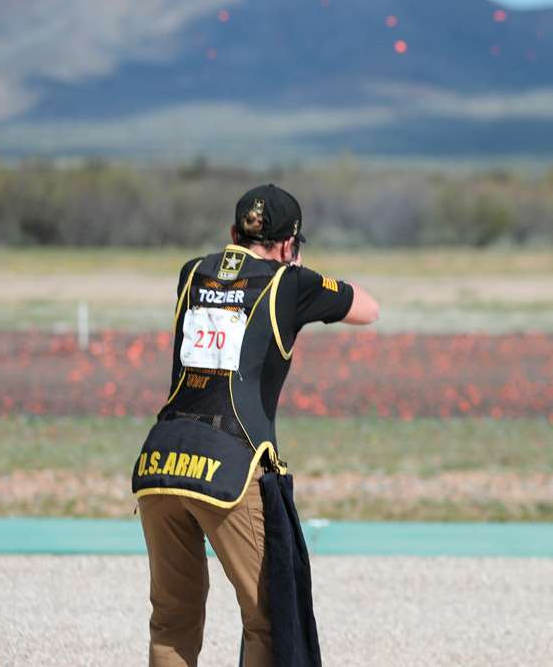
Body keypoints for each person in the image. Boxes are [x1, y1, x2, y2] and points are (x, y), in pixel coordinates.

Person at [132, 184, 379, 667]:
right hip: (229, 465)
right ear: (289, 245)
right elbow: (368, 309)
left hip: (160, 458)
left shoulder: (191, 273)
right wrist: (301, 274)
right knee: (268, 618)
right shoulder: (290, 282)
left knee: (171, 621)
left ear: (233, 233)